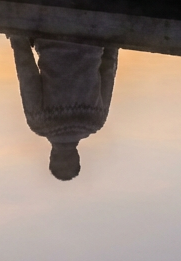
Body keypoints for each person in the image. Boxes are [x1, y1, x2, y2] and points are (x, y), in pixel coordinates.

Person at [9, 37, 119, 180]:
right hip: (49, 36)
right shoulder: (39, 122)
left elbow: (109, 67)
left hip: (92, 38)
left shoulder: (96, 120)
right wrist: (16, 36)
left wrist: (110, 35)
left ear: (77, 155)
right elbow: (26, 70)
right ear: (52, 156)